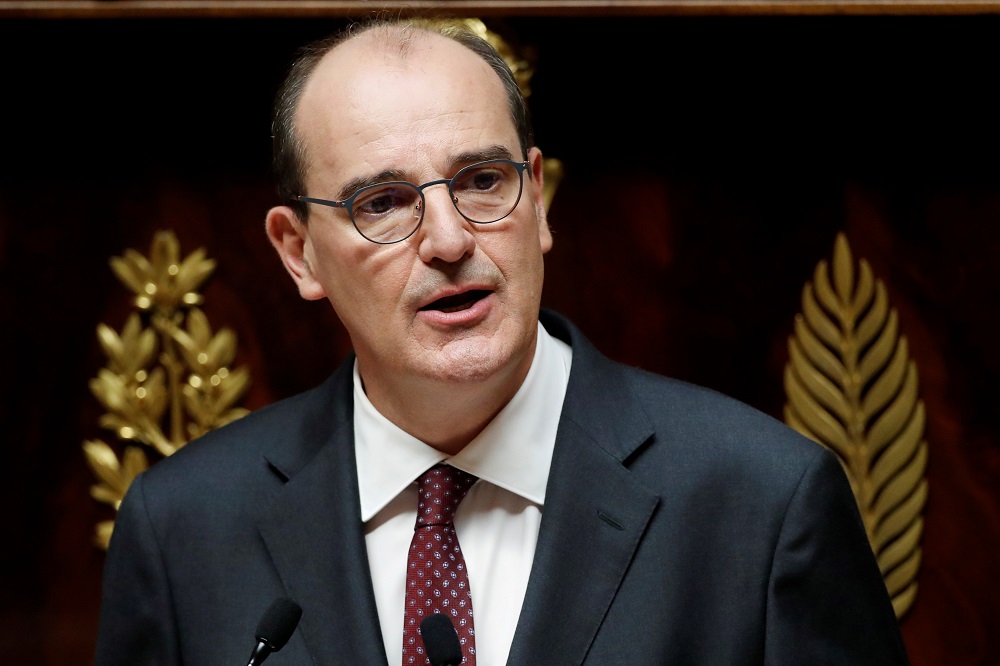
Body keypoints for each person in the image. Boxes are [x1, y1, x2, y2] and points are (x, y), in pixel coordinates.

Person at [95, 17, 910, 666]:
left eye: (484, 182)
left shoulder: (762, 504)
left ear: (540, 199)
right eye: (383, 201)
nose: (449, 240)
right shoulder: (183, 530)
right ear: (298, 251)